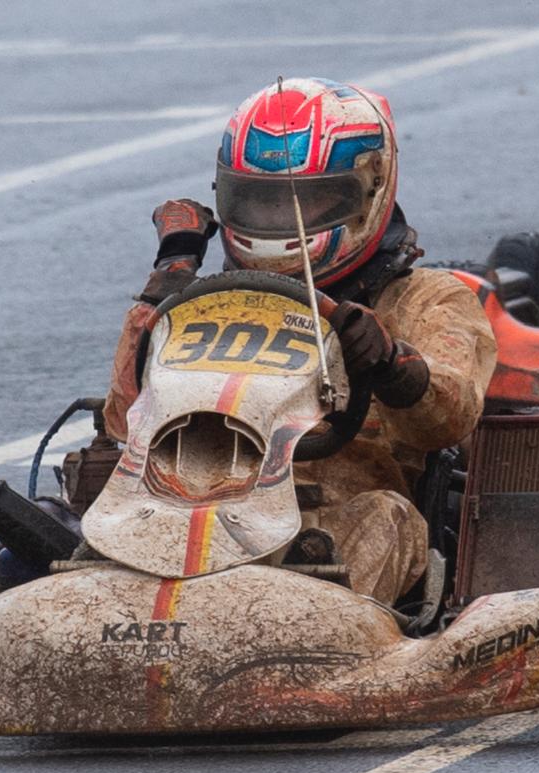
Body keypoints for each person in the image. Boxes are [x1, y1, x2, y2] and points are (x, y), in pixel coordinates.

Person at [101, 78, 497, 605]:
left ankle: (313, 640)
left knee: (389, 515)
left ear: (368, 191)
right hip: (184, 510)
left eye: (310, 203)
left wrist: (389, 363)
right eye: (258, 204)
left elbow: (449, 419)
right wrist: (168, 283)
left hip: (330, 526)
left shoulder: (425, 300)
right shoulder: (200, 307)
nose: (277, 223)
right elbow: (122, 424)